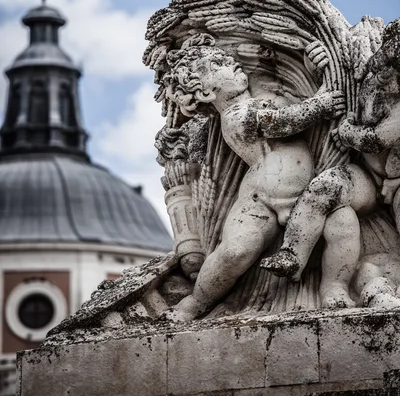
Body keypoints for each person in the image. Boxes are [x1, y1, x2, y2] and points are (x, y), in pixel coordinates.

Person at [163, 33, 345, 321]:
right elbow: (282, 123)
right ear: (207, 93)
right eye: (219, 63)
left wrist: (316, 71)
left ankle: (336, 288)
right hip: (259, 201)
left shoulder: (260, 98)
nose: (232, 62)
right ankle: (195, 303)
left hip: (302, 198)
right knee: (234, 252)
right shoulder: (237, 115)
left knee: (341, 229)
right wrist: (320, 104)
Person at [262, 18, 400, 308]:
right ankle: (292, 254)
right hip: (367, 174)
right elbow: (341, 71)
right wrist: (317, 61)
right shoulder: (371, 70)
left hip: (396, 181)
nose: (386, 72)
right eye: (386, 61)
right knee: (325, 186)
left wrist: (348, 131)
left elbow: (374, 140)